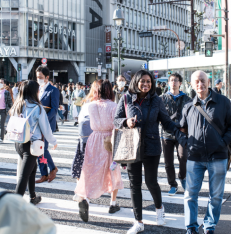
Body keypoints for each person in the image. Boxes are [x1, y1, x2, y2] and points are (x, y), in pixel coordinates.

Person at [114, 70, 185, 234]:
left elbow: (166, 121)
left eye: (148, 81)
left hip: (152, 147)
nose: (146, 84)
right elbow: (116, 120)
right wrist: (126, 121)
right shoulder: (125, 98)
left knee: (151, 182)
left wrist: (180, 132)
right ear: (136, 82)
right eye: (142, 81)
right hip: (132, 146)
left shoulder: (156, 100)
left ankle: (159, 209)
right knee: (135, 184)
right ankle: (138, 221)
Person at [176, 71, 231, 234]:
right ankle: (191, 227)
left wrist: (224, 141)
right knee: (190, 195)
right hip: (194, 157)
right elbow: (180, 130)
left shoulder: (223, 102)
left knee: (216, 196)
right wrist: (187, 143)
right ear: (191, 84)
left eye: (203, 81)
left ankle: (209, 225)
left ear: (209, 81)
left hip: (218, 156)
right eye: (196, 82)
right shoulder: (188, 106)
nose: (200, 84)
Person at [75, 80, 124, 222]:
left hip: (94, 138)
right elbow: (117, 126)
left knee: (92, 170)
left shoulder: (90, 106)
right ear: (110, 91)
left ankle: (87, 199)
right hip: (109, 139)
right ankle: (113, 204)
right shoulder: (114, 106)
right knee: (113, 170)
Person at [10, 80, 58, 205]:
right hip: (31, 145)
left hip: (18, 143)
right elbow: (46, 129)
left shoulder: (17, 105)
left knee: (32, 168)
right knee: (24, 175)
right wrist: (54, 141)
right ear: (34, 92)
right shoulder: (37, 108)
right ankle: (15, 204)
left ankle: (33, 197)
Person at [160, 73, 191, 195]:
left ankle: (182, 177)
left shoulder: (187, 98)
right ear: (168, 83)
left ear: (180, 83)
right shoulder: (162, 98)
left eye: (176, 80)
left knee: (183, 157)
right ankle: (172, 184)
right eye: (171, 80)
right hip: (166, 133)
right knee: (168, 161)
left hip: (182, 133)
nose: (173, 82)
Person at [71, 80, 101, 181]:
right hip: (90, 138)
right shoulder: (89, 103)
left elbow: (81, 119)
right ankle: (83, 188)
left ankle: (84, 187)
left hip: (88, 137)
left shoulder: (90, 102)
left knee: (83, 162)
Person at [35, 66, 60, 183]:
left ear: (47, 77)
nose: (38, 79)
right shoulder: (36, 89)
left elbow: (54, 109)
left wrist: (43, 120)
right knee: (38, 148)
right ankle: (44, 173)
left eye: (40, 77)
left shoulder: (53, 90)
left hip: (47, 124)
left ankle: (53, 168)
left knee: (43, 149)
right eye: (37, 77)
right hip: (36, 125)